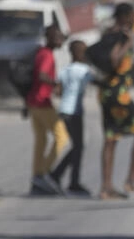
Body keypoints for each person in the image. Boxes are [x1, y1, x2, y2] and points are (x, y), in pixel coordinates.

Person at [98, 3, 134, 200]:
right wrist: (129, 43)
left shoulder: (107, 33)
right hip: (118, 95)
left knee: (111, 138)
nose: (133, 20)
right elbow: (114, 60)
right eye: (131, 16)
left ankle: (106, 188)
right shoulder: (120, 35)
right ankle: (131, 180)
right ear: (122, 16)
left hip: (106, 93)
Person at [50, 40, 96, 196]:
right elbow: (97, 82)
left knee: (77, 146)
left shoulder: (66, 69)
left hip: (64, 110)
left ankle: (59, 176)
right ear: (78, 53)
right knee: (78, 146)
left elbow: (58, 91)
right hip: (74, 112)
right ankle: (68, 180)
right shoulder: (84, 70)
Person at [27, 24, 69, 195]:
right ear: (51, 38)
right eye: (58, 37)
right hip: (42, 103)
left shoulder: (41, 52)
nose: (61, 40)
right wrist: (56, 84)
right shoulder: (47, 56)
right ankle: (42, 173)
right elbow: (42, 75)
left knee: (41, 140)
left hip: (33, 102)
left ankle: (37, 173)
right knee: (62, 136)